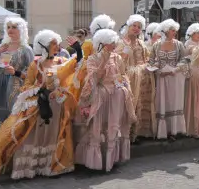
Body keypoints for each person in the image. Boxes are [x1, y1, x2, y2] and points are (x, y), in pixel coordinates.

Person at [0, 31, 83, 179]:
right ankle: (33, 166)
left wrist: (78, 48)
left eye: (56, 43)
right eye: (53, 44)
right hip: (40, 104)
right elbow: (27, 83)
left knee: (53, 136)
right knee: (35, 136)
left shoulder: (61, 61)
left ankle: (50, 165)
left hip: (57, 104)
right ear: (44, 46)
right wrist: (39, 89)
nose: (56, 46)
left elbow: (76, 64)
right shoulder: (36, 64)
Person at [75, 28, 136, 171]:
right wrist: (103, 62)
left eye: (114, 42)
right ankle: (97, 161)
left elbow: (123, 73)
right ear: (103, 43)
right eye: (111, 42)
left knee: (114, 125)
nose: (114, 45)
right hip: (101, 96)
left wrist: (123, 84)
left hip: (116, 96)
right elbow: (94, 80)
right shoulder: (92, 58)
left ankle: (112, 159)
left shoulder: (118, 57)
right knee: (99, 126)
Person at [0, 17, 35, 130]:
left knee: (12, 111)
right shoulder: (2, 47)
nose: (10, 30)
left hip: (15, 85)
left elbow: (32, 72)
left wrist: (16, 72)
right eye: (8, 27)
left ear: (21, 30)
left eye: (14, 27)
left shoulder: (26, 49)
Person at [149, 19, 188, 141]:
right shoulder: (156, 45)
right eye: (172, 30)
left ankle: (174, 130)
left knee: (175, 101)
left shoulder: (179, 44)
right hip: (162, 78)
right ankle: (163, 131)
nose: (174, 32)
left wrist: (174, 70)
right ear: (166, 31)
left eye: (175, 30)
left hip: (175, 77)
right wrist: (158, 70)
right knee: (163, 102)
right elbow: (150, 60)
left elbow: (185, 59)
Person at [119, 14, 156, 141]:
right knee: (130, 104)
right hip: (129, 77)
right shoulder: (121, 42)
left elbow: (147, 58)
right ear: (128, 26)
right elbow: (118, 63)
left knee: (141, 104)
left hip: (144, 78)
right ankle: (127, 135)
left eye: (139, 27)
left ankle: (137, 133)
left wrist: (149, 65)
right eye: (134, 26)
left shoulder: (141, 43)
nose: (136, 28)